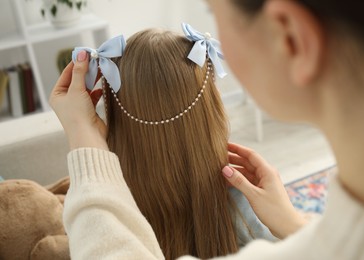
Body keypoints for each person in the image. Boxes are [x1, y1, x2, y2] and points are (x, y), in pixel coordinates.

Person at [50, 0, 364, 259]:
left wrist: (84, 138)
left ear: (289, 36)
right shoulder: (257, 219)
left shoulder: (95, 208)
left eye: (213, 11)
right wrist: (293, 224)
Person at [70, 26, 277, 259]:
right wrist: (288, 221)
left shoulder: (103, 210)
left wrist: (78, 129)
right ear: (211, 110)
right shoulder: (242, 201)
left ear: (115, 116)